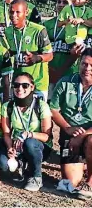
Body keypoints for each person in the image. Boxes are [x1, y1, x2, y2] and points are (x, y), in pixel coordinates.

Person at [0, 73, 53, 192]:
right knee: (3, 165)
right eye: (16, 85)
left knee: (29, 143)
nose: (20, 89)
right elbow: (6, 133)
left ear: (32, 87)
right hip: (16, 146)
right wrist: (9, 147)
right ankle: (22, 164)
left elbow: (46, 136)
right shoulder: (8, 106)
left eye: (25, 85)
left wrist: (29, 134)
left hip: (37, 146)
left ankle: (36, 177)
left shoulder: (42, 106)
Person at [50, 48, 92, 200]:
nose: (87, 69)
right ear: (79, 64)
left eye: (91, 65)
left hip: (89, 135)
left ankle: (90, 183)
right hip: (70, 133)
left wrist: (83, 135)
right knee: (70, 182)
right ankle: (87, 163)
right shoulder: (66, 81)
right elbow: (53, 109)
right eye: (84, 64)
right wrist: (68, 128)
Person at [4, 0, 53, 101]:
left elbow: (50, 55)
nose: (14, 15)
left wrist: (36, 58)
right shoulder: (8, 31)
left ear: (26, 12)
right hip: (18, 85)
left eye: (18, 12)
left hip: (38, 84)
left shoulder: (39, 30)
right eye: (11, 12)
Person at [57, 0, 92, 76]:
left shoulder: (88, 10)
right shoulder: (67, 9)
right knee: (74, 57)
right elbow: (59, 24)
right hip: (70, 41)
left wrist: (82, 20)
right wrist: (67, 21)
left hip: (83, 40)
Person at [44, 0, 73, 100]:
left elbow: (76, 54)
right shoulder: (47, 24)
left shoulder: (76, 25)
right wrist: (50, 69)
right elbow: (41, 50)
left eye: (65, 2)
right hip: (49, 72)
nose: (61, 4)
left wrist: (61, 71)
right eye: (59, 2)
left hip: (68, 73)